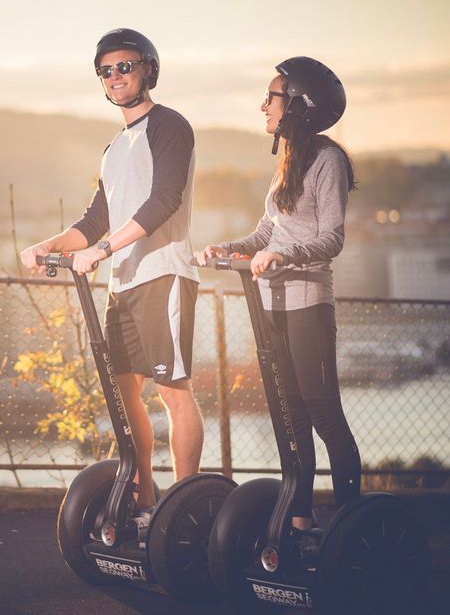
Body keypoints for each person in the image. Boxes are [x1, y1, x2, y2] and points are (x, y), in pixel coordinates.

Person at [20, 28, 204, 525]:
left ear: (147, 69)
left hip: (164, 274)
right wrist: (49, 246)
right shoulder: (114, 146)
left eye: (125, 66)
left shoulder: (170, 127)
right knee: (123, 397)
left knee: (173, 392)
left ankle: (184, 508)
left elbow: (164, 201)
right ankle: (145, 499)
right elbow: (95, 219)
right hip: (122, 284)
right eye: (107, 71)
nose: (116, 76)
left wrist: (101, 250)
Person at [193, 56, 361, 558]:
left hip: (309, 302)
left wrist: (284, 254)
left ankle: (352, 520)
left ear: (300, 106)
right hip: (272, 303)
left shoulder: (328, 161)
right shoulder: (286, 156)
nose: (264, 104)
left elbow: (331, 238)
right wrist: (230, 248)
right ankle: (301, 514)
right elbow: (268, 231)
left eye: (273, 96)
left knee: (322, 411)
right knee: (289, 414)